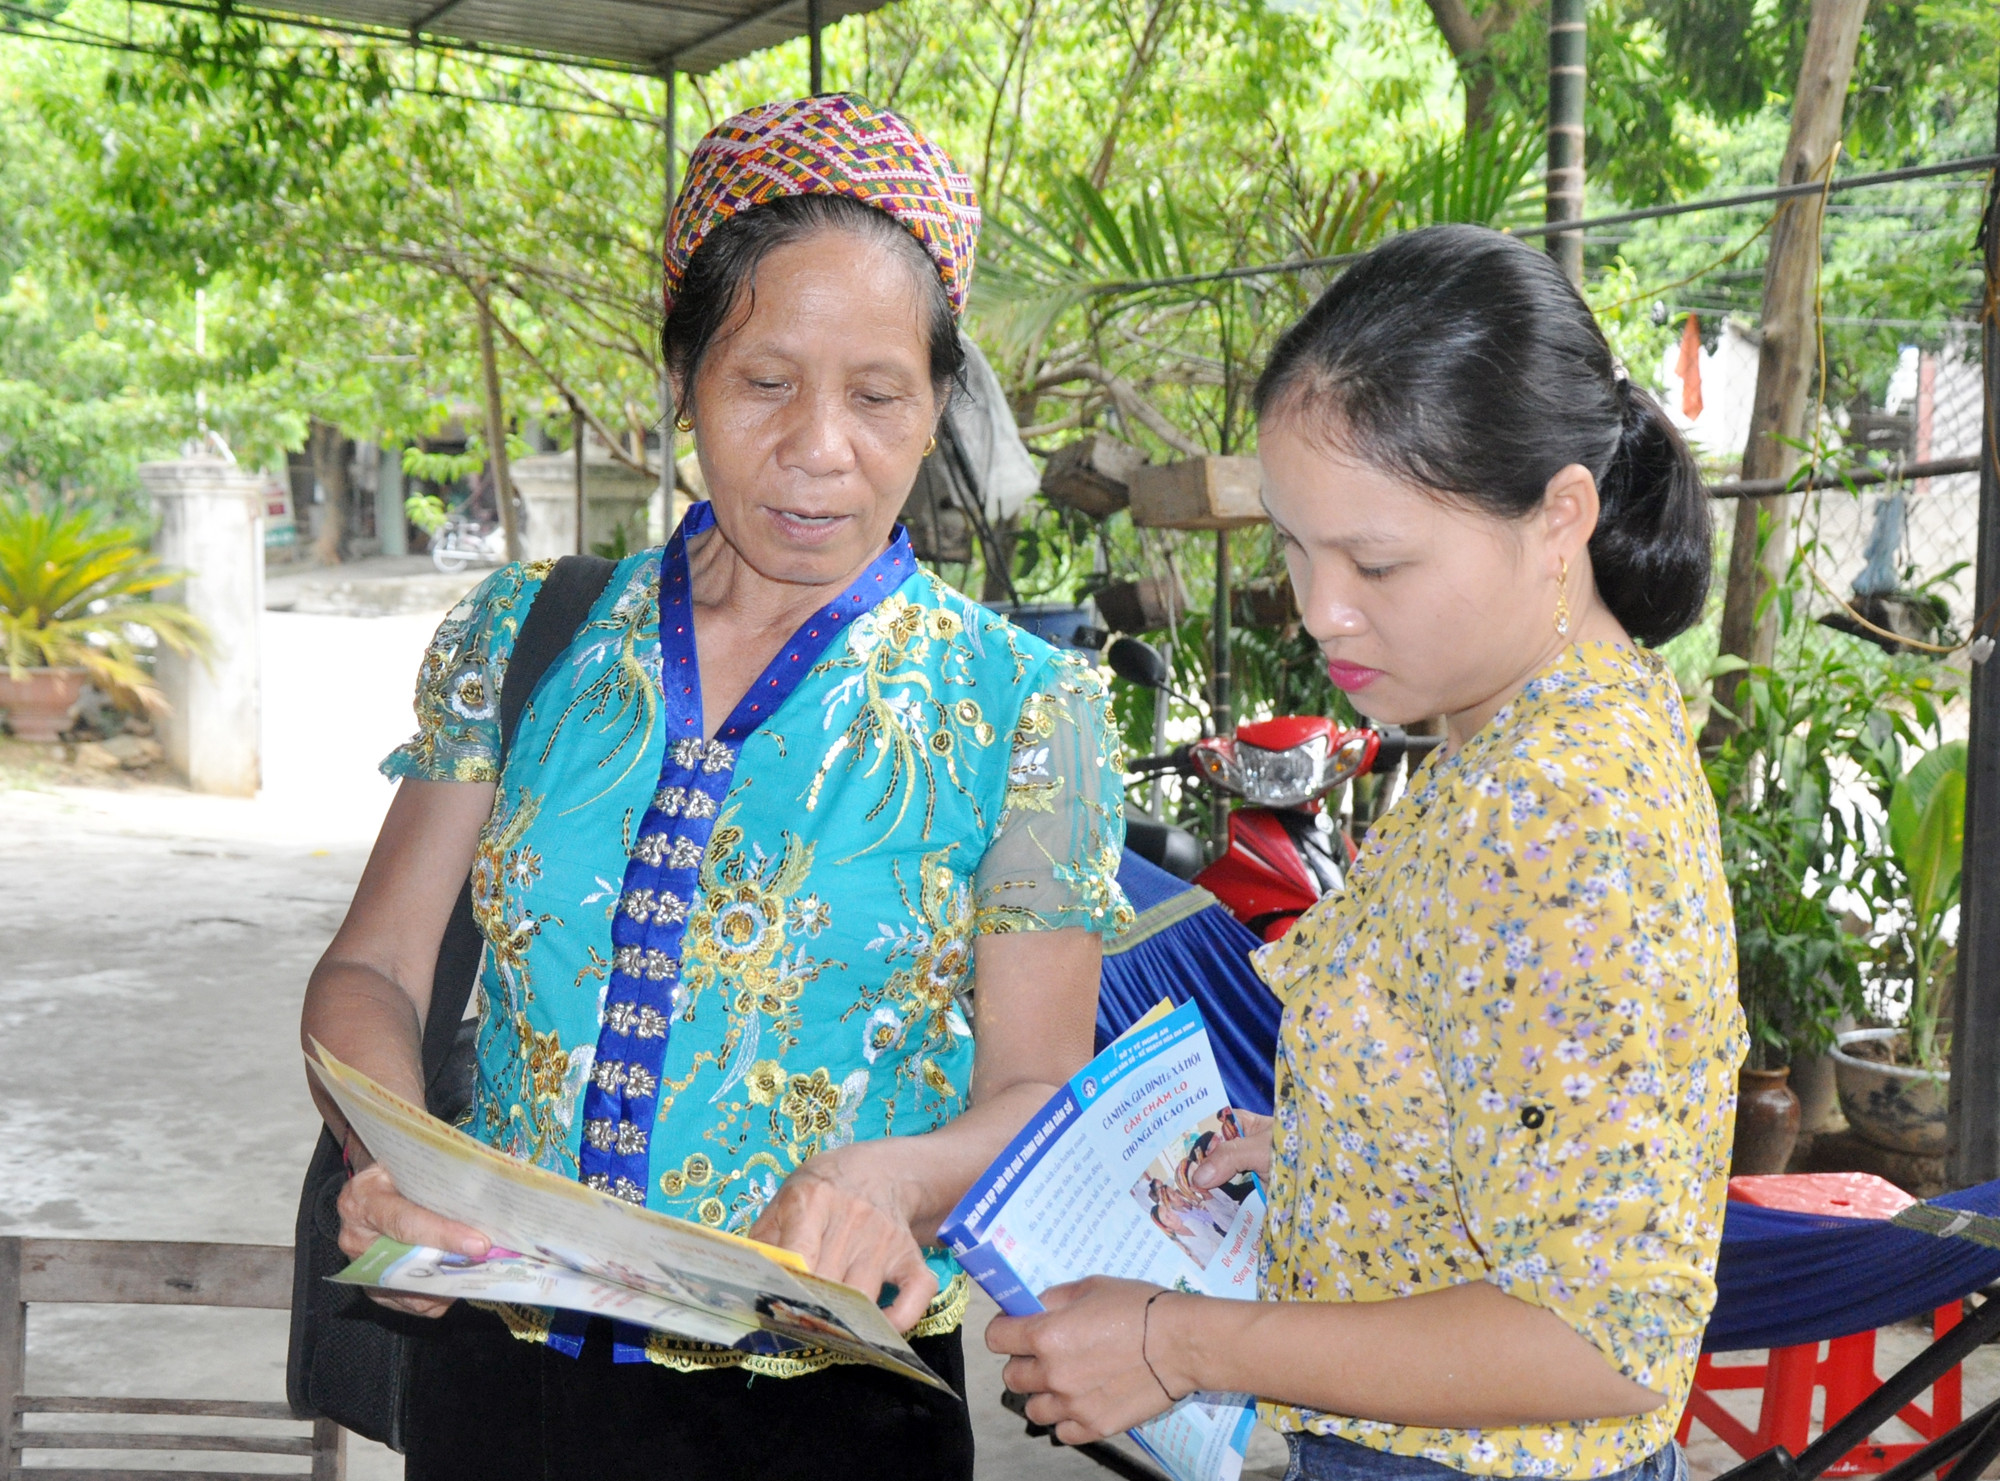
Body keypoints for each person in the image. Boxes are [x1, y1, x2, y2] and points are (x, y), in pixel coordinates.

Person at [300, 93, 1130, 1481]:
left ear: (936, 409)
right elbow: (370, 971)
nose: (821, 445)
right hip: (500, 1398)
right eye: (764, 383)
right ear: (682, 376)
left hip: (826, 1415)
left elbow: (1039, 1088)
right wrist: (405, 1164)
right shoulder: (524, 641)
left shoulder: (1020, 708)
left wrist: (896, 1179)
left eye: (879, 395)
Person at [988, 224, 1744, 1481]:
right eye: (1294, 542)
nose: (1318, 607)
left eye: (1375, 559)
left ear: (1560, 516)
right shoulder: (1520, 730)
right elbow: (1527, 1093)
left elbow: (1599, 1340)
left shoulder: (1562, 812)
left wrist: (1180, 1341)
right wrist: (1339, 1139)